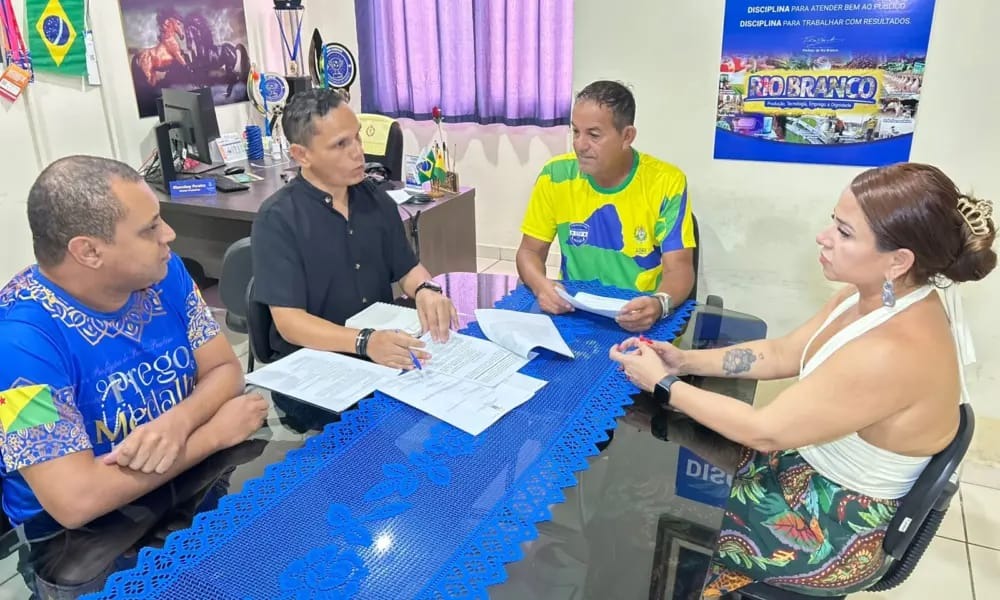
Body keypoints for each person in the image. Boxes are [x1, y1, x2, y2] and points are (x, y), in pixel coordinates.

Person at [610, 163, 996, 597]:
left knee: (642, 504)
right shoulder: (870, 293)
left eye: (845, 232)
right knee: (660, 460)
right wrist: (683, 361)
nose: (824, 236)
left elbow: (765, 432)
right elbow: (783, 353)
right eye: (834, 221)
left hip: (832, 528)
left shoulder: (894, 350)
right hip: (805, 469)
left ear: (898, 260)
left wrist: (663, 384)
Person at [0, 155, 269, 596]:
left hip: (186, 488)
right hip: (84, 543)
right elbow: (74, 500)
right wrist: (210, 435)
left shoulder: (165, 274)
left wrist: (175, 423)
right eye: (150, 228)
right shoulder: (17, 346)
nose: (169, 236)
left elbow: (223, 369)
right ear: (88, 251)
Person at [251, 89, 458, 424]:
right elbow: (289, 323)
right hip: (315, 370)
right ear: (301, 154)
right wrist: (363, 342)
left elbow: (406, 269)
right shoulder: (278, 219)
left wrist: (426, 290)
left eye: (358, 138)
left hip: (378, 354)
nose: (359, 152)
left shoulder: (375, 200)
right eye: (340, 144)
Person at [516, 80, 696, 333]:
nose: (580, 144)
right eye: (575, 131)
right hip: (575, 313)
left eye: (593, 134)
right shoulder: (555, 176)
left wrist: (659, 304)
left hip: (639, 317)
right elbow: (529, 252)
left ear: (627, 137)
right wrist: (541, 286)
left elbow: (680, 268)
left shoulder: (666, 182)